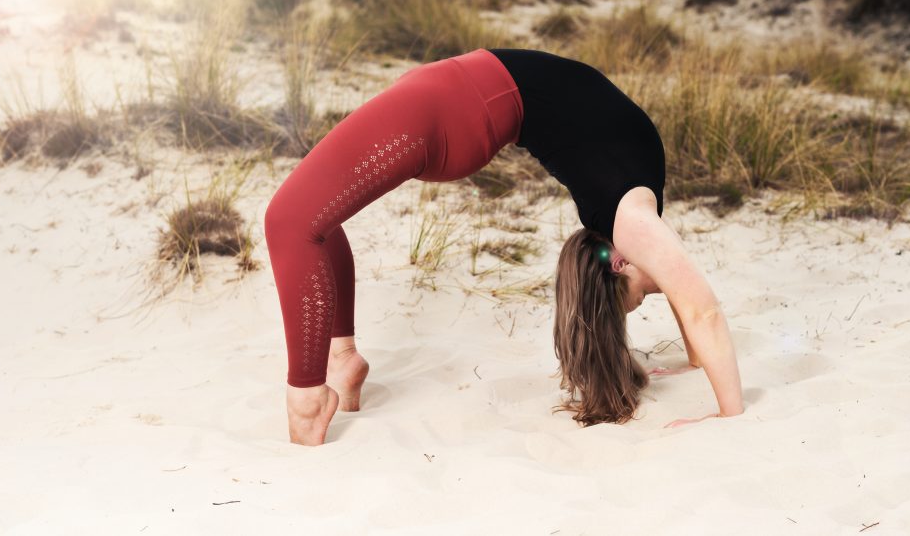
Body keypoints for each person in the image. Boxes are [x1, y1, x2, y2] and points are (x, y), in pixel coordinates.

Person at [263, 48, 743, 446]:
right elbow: (700, 309)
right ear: (620, 262)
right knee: (307, 221)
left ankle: (307, 399)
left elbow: (685, 294)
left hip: (451, 105)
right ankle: (341, 359)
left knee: (290, 222)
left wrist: (721, 405)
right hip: (453, 101)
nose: (653, 293)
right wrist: (724, 405)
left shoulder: (629, 218)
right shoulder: (636, 221)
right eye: (638, 300)